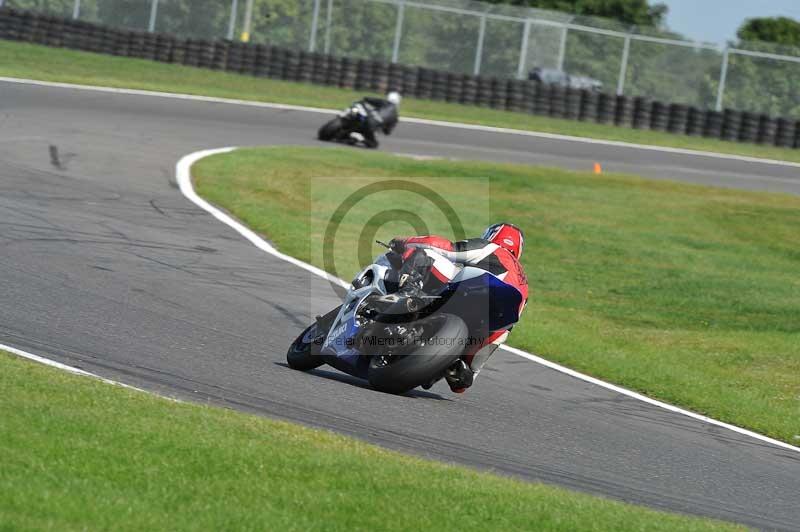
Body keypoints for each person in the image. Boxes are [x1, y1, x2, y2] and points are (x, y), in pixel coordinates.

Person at [388, 223, 528, 393]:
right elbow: (506, 328)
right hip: (498, 318)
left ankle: (408, 291)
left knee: (427, 253)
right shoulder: (523, 280)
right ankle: (459, 370)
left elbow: (446, 248)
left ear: (492, 235)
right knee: (469, 372)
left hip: (478, 287)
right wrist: (470, 370)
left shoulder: (490, 247)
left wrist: (405, 242)